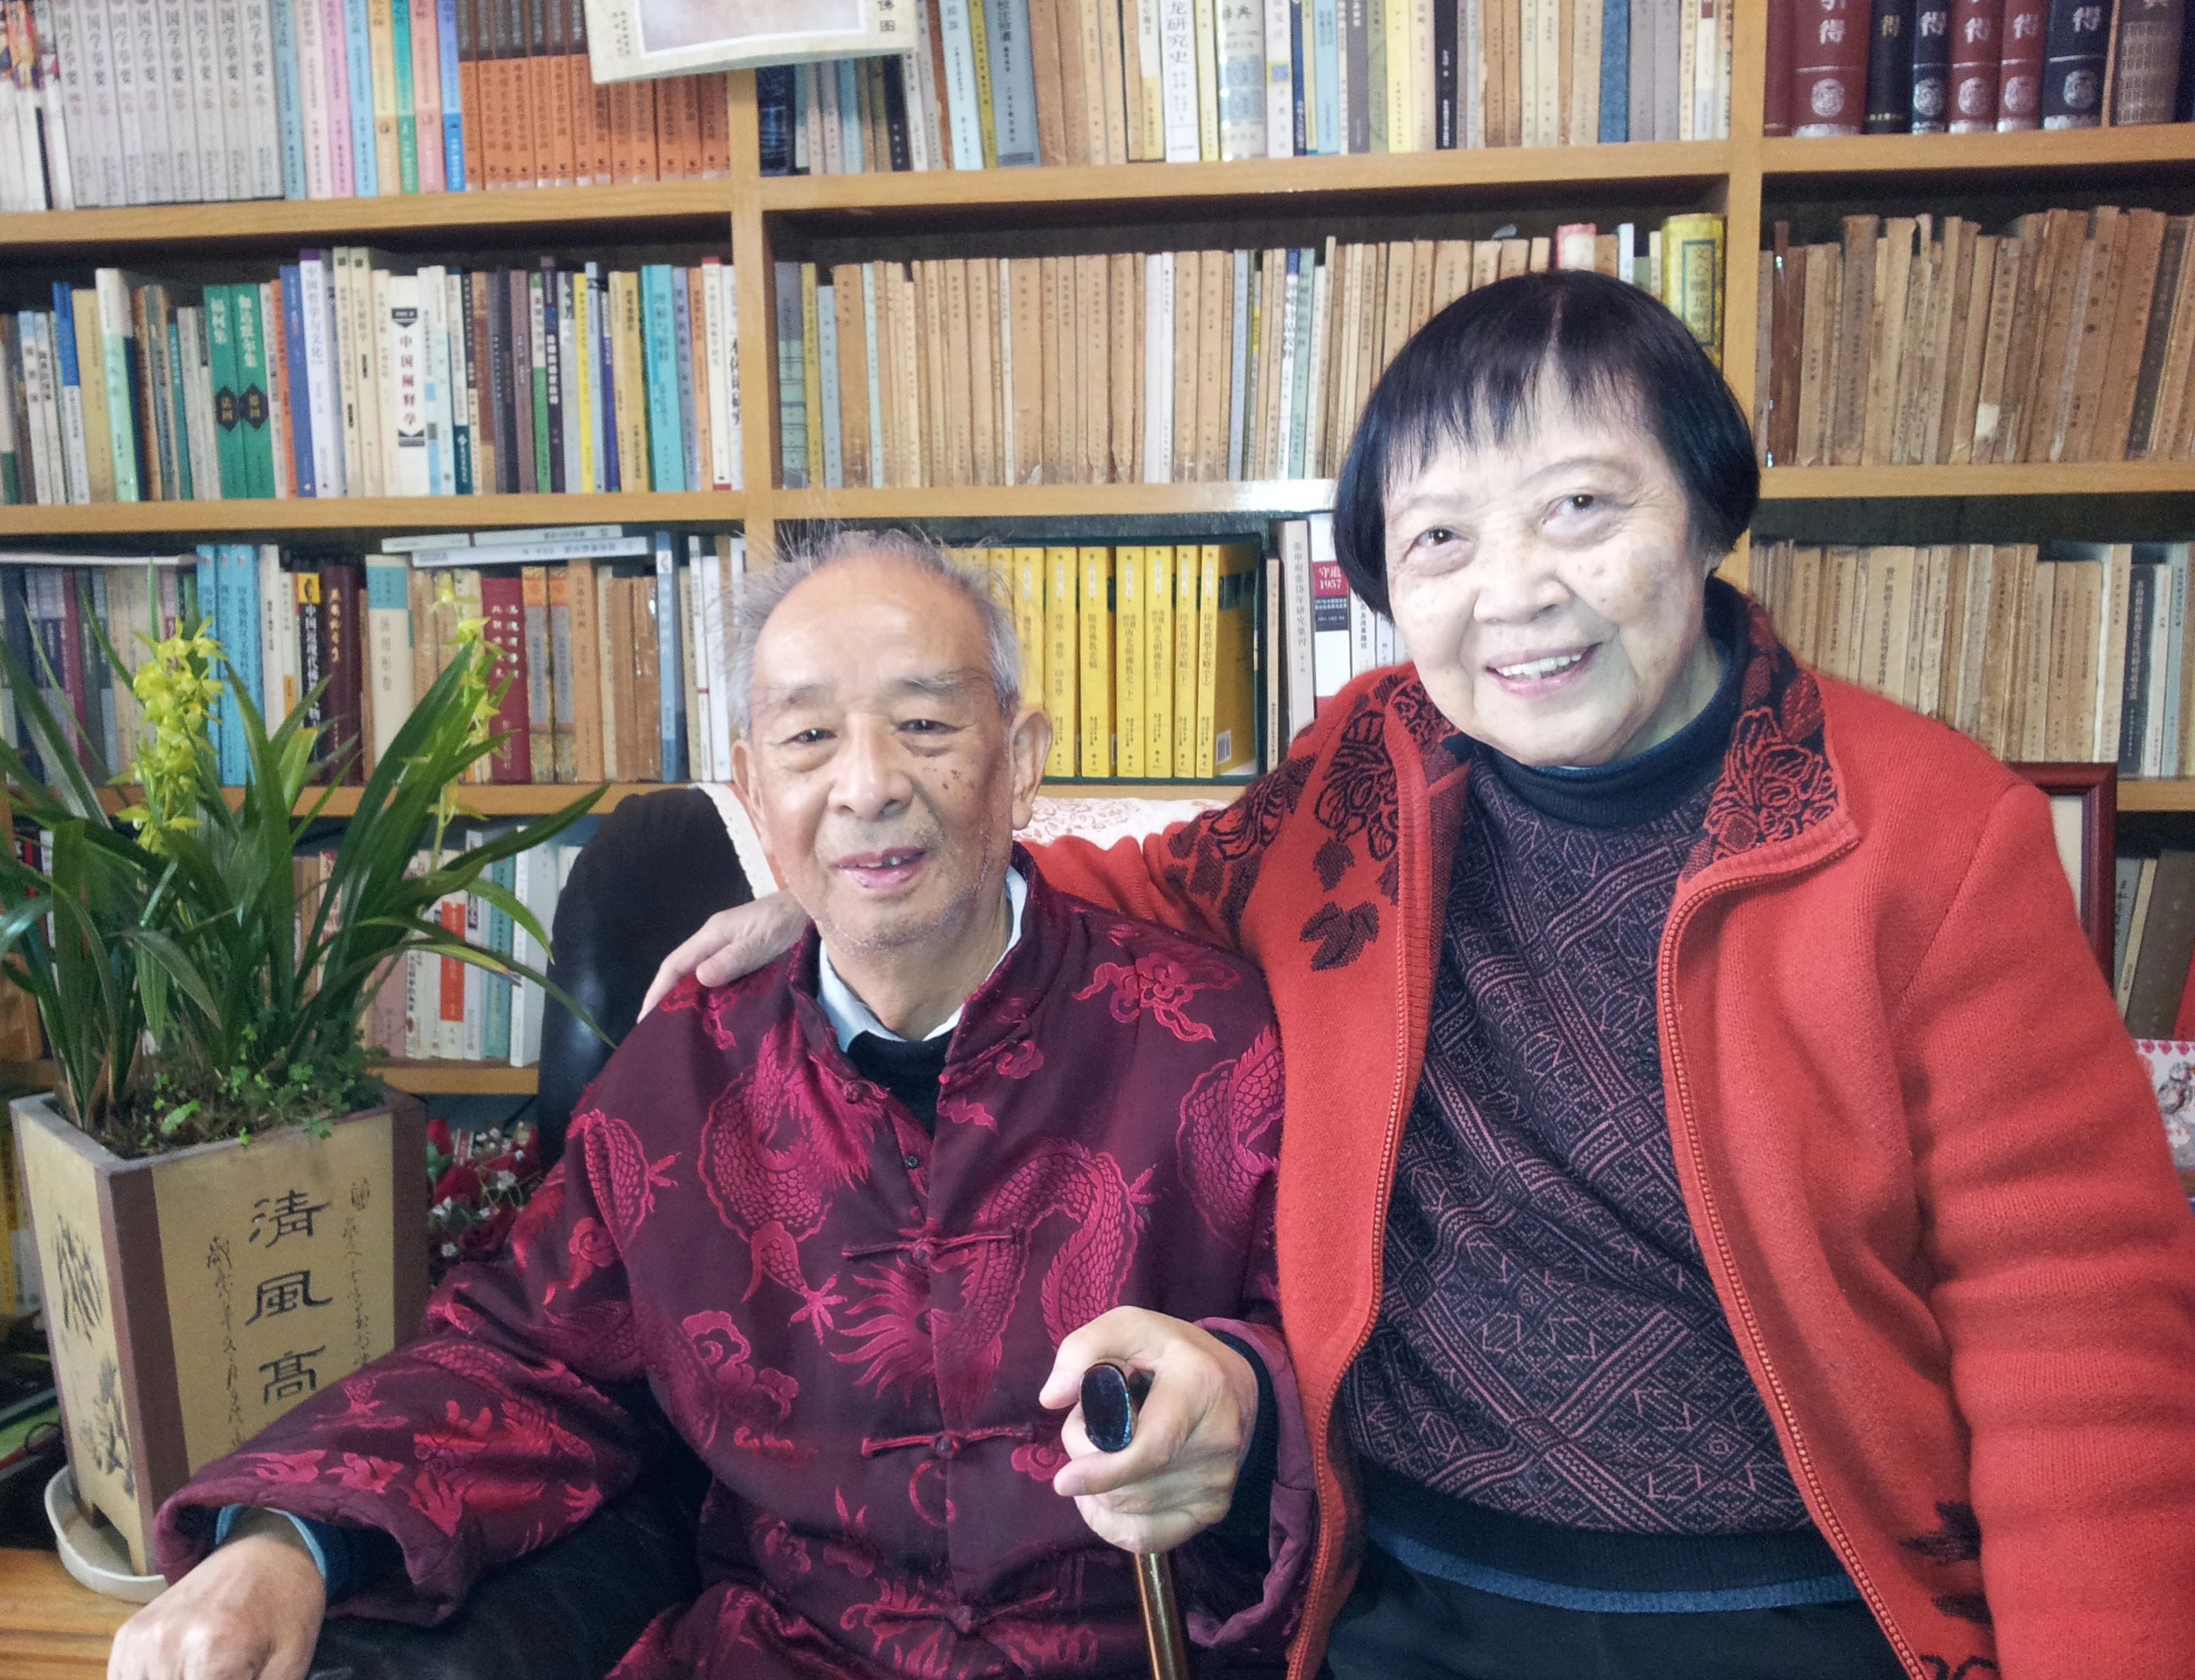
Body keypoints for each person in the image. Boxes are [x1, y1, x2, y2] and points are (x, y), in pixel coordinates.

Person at [643, 270, 2195, 1680]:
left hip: (1788, 1597)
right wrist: (857, 901)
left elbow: (2087, 1349)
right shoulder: (1369, 765)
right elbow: (1155, 883)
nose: (1513, 592)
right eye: (1441, 538)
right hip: (1406, 1592)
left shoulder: (1928, 833)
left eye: (1580, 507)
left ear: (1708, 507)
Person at [115, 537, 1312, 1680]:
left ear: (1024, 756)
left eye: (926, 725)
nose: (867, 786)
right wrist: (286, 1542)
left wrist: (1246, 1408)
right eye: (807, 738)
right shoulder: (679, 1076)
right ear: (753, 787)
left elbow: (1329, 1359)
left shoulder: (1214, 1045)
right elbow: (522, 1357)